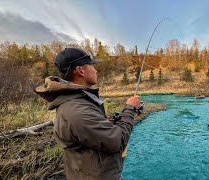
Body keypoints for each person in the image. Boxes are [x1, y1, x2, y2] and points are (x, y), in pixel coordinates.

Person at [35, 47, 140, 180]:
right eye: (91, 65)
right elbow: (117, 141)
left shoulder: (77, 102)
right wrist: (130, 109)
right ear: (80, 71)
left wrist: (110, 122)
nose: (95, 70)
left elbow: (88, 134)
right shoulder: (77, 110)